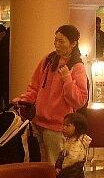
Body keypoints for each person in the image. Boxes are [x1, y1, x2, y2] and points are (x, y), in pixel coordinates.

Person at [13, 24, 89, 166]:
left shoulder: (77, 67)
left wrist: (67, 78)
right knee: (37, 165)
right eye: (56, 40)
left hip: (57, 128)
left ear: (73, 44)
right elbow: (35, 86)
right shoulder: (48, 60)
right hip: (37, 122)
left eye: (61, 41)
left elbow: (79, 100)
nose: (57, 45)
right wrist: (23, 100)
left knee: (54, 168)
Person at [55, 112, 92, 178]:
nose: (64, 128)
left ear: (78, 128)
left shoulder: (79, 142)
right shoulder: (69, 140)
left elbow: (72, 160)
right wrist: (58, 166)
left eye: (68, 126)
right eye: (63, 125)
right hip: (67, 173)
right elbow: (62, 154)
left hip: (73, 176)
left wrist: (61, 170)